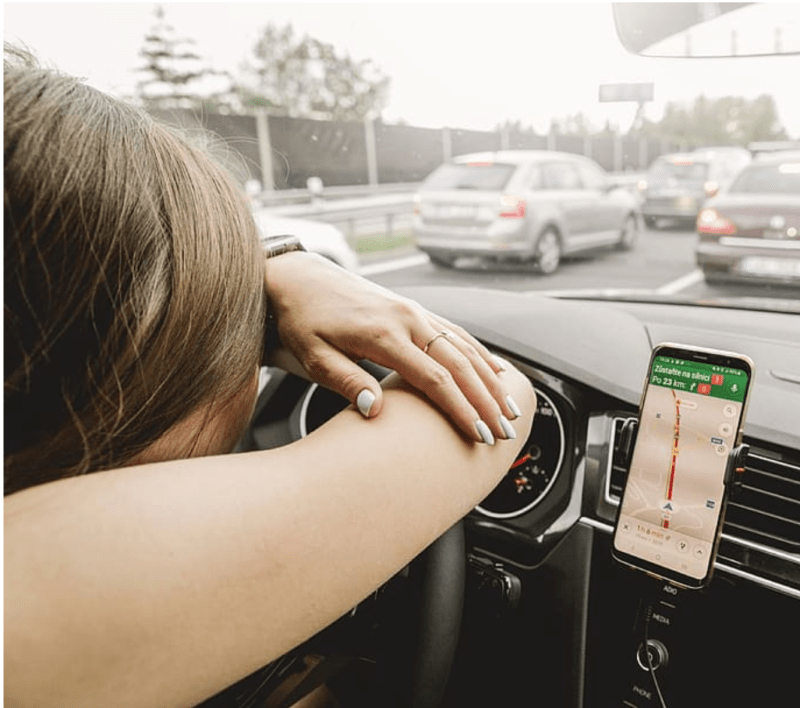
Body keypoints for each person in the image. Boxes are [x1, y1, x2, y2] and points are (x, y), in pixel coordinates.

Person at [3, 44, 536, 708]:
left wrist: (269, 268)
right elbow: (504, 394)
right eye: (237, 333)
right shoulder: (29, 586)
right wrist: (285, 270)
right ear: (123, 383)